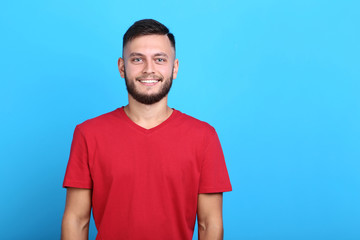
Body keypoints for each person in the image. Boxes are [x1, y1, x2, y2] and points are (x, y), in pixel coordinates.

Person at [61, 19, 232, 240]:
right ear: (122, 67)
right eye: (137, 59)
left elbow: (210, 224)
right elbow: (76, 220)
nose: (149, 69)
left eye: (159, 59)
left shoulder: (204, 137)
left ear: (175, 68)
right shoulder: (88, 134)